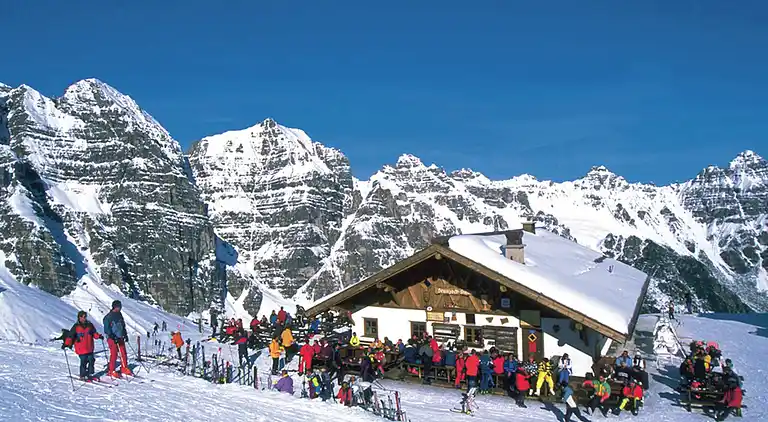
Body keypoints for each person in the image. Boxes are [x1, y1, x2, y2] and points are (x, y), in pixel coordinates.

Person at [70, 311, 102, 380]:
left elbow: (94, 333)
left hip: (89, 347)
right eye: (82, 317)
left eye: (85, 317)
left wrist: (99, 336)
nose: (83, 318)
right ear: (79, 317)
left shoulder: (90, 325)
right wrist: (67, 344)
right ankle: (83, 375)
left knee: (91, 360)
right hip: (80, 348)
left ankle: (90, 373)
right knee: (83, 361)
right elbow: (71, 336)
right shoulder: (76, 326)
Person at [103, 300, 132, 377]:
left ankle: (124, 367)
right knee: (114, 354)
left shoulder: (119, 315)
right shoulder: (108, 317)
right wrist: (112, 336)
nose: (120, 308)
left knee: (123, 353)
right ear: (115, 307)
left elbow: (122, 325)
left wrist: (125, 334)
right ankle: (111, 370)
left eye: (120, 307)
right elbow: (106, 329)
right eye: (119, 307)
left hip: (120, 336)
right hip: (112, 338)